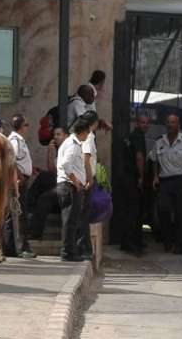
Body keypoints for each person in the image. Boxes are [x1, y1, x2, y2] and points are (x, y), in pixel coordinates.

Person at [149, 114, 182, 254]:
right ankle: (167, 243)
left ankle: (178, 245)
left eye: (173, 122)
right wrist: (155, 177)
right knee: (163, 212)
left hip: (181, 181)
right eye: (168, 122)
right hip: (164, 182)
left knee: (180, 215)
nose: (170, 125)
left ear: (178, 125)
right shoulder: (160, 141)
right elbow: (154, 160)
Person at [56, 115, 93, 262]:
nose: (88, 135)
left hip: (69, 186)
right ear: (82, 131)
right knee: (70, 221)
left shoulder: (73, 143)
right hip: (69, 186)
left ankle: (70, 250)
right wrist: (76, 181)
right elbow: (66, 164)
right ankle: (67, 252)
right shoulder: (72, 144)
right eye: (88, 132)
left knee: (72, 220)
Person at [118, 113, 149, 254]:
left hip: (126, 177)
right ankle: (129, 242)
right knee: (133, 211)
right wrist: (141, 177)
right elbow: (139, 158)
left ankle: (133, 240)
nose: (145, 125)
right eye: (142, 122)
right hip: (132, 178)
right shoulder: (138, 137)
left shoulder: (132, 136)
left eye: (147, 123)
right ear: (136, 123)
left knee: (133, 210)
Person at [7, 115, 36, 259]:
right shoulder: (15, 141)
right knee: (18, 214)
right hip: (19, 181)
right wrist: (20, 176)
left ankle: (21, 246)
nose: (28, 128)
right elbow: (11, 161)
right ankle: (17, 247)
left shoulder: (20, 140)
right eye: (26, 125)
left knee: (22, 213)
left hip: (23, 179)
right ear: (20, 126)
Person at [77, 110, 100, 259]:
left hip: (84, 178)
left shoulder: (83, 136)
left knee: (84, 215)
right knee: (84, 216)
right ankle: (83, 248)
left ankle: (84, 247)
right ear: (95, 123)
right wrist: (90, 179)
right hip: (86, 179)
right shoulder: (89, 137)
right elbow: (86, 158)